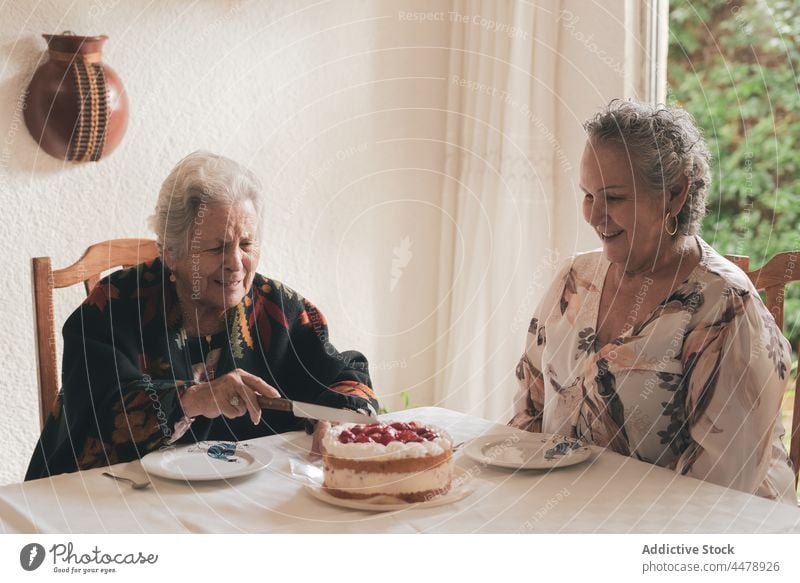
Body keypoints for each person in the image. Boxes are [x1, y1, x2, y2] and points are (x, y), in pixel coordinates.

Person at [509, 99, 796, 504]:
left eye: (615, 198)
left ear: (675, 193)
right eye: (588, 195)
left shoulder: (726, 309)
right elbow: (528, 413)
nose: (594, 216)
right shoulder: (573, 279)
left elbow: (717, 491)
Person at [26, 152, 377, 480]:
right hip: (114, 502)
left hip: (241, 503)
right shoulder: (111, 308)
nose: (236, 263)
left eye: (246, 244)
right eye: (217, 247)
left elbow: (344, 374)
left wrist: (341, 419)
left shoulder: (277, 309)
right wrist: (194, 399)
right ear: (171, 252)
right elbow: (96, 409)